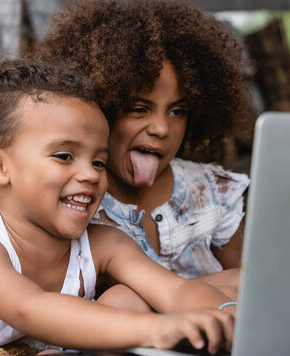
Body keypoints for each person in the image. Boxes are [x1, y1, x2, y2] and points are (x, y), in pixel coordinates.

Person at [0, 58, 236, 354]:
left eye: (99, 161)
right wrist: (156, 329)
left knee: (126, 299)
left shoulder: (105, 243)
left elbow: (174, 290)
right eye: (64, 156)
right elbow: (30, 309)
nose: (91, 174)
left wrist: (225, 314)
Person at [34, 0, 255, 302]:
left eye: (177, 111)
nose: (161, 128)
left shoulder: (213, 192)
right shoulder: (75, 199)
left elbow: (256, 291)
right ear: (100, 108)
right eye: (139, 109)